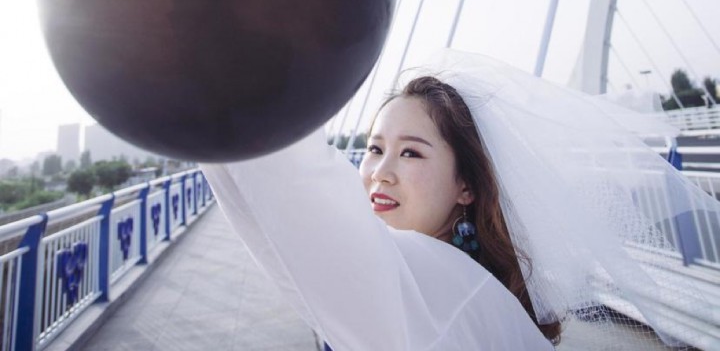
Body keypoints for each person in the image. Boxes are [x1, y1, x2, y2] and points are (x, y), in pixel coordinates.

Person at [202, 50, 717, 350]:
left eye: (411, 153)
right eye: (374, 149)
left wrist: (210, 57)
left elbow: (297, 188)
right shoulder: (466, 288)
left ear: (465, 186)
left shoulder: (439, 283)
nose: (380, 172)